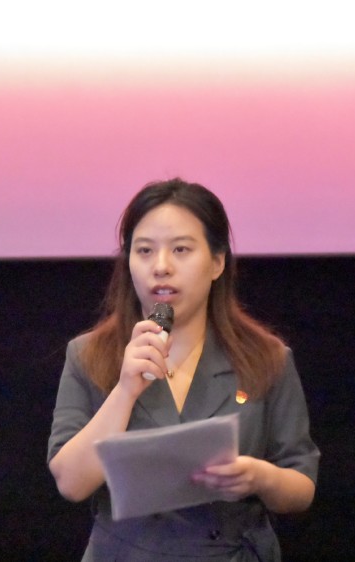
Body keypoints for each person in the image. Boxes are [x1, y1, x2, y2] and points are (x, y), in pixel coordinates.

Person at [47, 178, 320, 561]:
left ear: (217, 262)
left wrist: (260, 477)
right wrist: (124, 391)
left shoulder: (266, 357)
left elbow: (302, 485)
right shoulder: (89, 354)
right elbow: (71, 483)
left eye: (181, 249)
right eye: (144, 250)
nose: (161, 267)